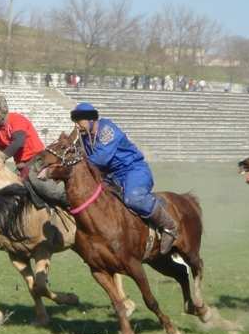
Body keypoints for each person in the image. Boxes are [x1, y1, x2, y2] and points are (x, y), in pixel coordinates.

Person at [70, 102, 178, 254]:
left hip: (133, 170)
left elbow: (100, 159)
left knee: (133, 199)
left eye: (79, 121)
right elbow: (77, 154)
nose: (77, 126)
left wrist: (79, 163)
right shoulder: (84, 137)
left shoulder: (107, 131)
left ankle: (170, 227)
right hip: (111, 177)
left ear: (91, 120)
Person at [0, 94, 67, 207]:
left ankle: (69, 202)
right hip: (22, 167)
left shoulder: (16, 119)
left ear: (1, 108)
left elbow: (18, 142)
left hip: (38, 159)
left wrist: (1, 157)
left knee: (47, 188)